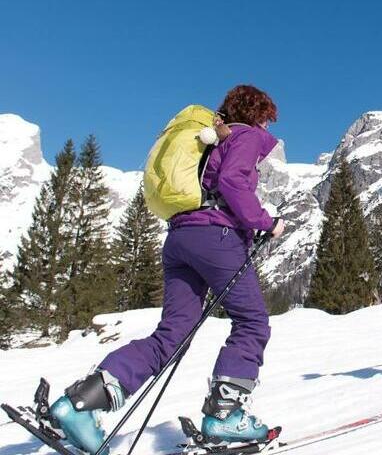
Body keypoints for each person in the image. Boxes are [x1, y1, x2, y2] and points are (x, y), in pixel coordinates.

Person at [48, 85, 285, 454]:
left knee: (172, 334)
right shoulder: (246, 136)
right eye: (268, 118)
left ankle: (82, 403)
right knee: (252, 321)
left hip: (179, 237)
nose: (269, 127)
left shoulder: (211, 138)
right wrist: (265, 221)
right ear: (258, 114)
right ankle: (225, 417)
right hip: (217, 237)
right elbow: (232, 182)